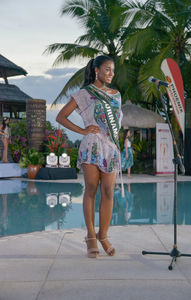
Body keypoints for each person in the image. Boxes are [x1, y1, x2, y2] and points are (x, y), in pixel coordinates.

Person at [56, 55, 123, 258]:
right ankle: (90, 236)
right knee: (91, 189)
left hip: (110, 148)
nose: (111, 73)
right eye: (107, 69)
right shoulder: (84, 94)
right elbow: (61, 116)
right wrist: (83, 131)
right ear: (96, 70)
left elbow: (117, 124)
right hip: (92, 146)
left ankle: (103, 235)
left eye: (113, 70)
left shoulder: (116, 95)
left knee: (109, 191)